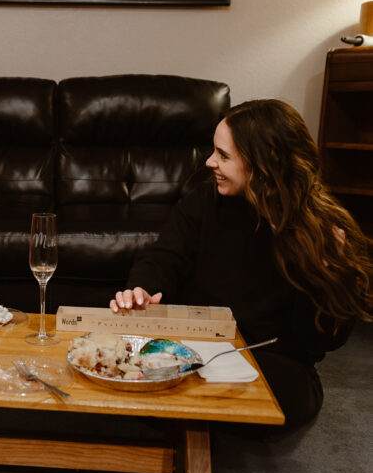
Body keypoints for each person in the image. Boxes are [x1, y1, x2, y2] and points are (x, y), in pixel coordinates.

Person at [111, 98, 373, 429]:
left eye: (223, 155)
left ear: (262, 165)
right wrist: (141, 289)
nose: (209, 162)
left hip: (272, 358)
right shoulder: (205, 200)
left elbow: (318, 343)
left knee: (276, 398)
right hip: (197, 342)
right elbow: (164, 256)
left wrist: (324, 276)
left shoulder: (319, 230)